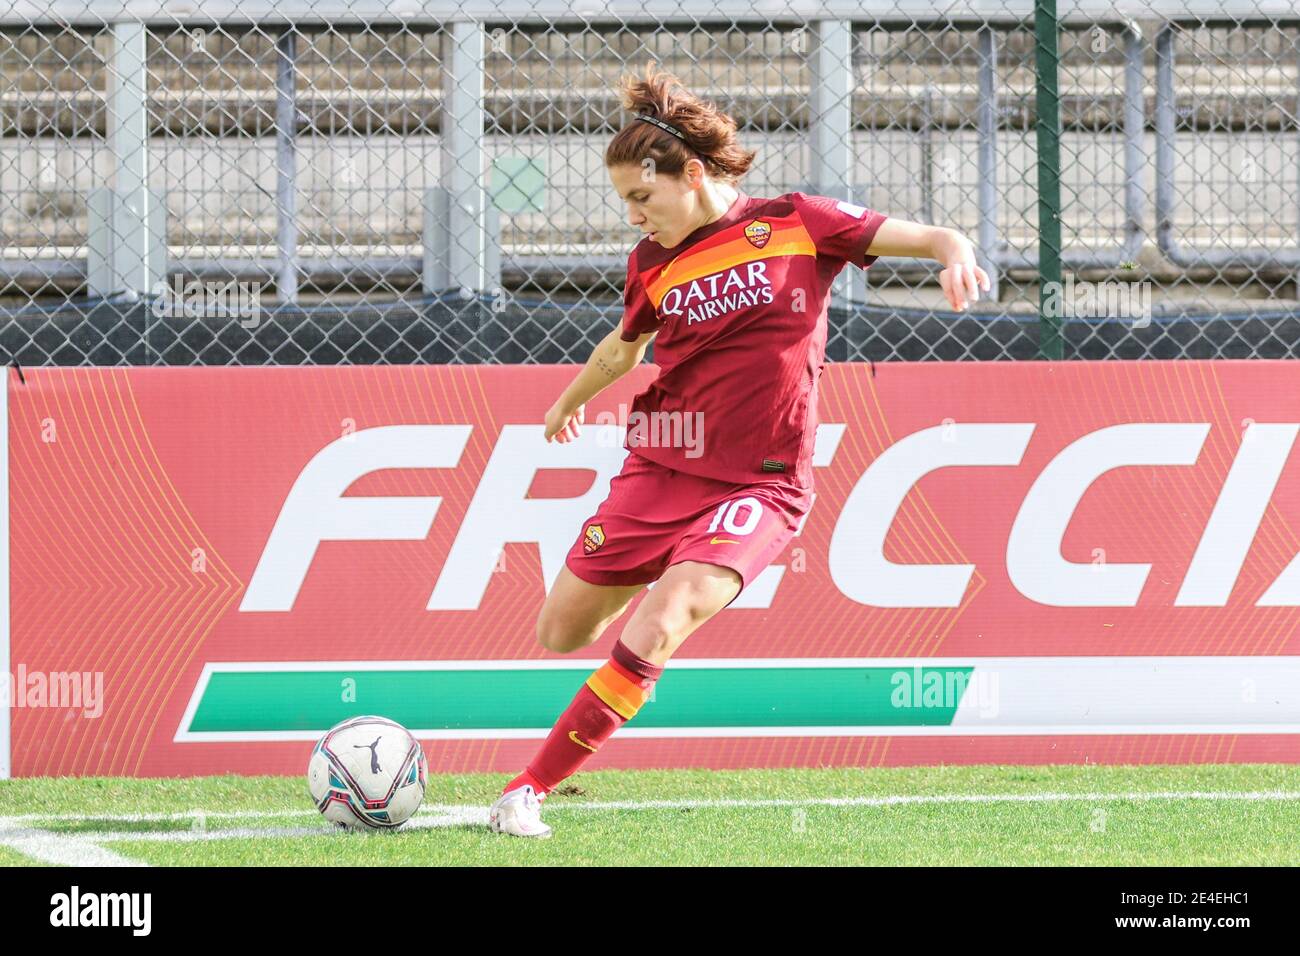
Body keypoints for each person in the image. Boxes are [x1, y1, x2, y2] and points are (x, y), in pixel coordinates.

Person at [489, 60, 990, 837]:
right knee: (560, 631)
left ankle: (527, 790)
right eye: (625, 202)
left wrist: (953, 251)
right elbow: (623, 353)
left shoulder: (798, 220)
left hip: (761, 485)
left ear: (691, 174)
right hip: (660, 463)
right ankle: (669, 558)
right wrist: (566, 403)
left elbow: (924, 234)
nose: (634, 217)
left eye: (642, 197)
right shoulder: (651, 263)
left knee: (664, 620)